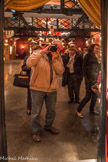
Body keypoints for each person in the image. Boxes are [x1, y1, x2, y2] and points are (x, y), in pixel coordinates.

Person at [26, 40, 64, 142]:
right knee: (36, 112)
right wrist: (43, 51)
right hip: (37, 88)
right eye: (57, 47)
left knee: (51, 111)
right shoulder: (37, 53)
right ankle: (36, 131)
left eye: (60, 48)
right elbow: (29, 63)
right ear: (51, 45)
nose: (58, 49)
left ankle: (48, 126)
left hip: (52, 89)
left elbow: (60, 71)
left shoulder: (58, 56)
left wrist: (55, 60)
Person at [76, 44, 101, 118]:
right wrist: (89, 80)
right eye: (96, 48)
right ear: (92, 48)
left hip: (95, 78)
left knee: (94, 96)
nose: (98, 50)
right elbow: (84, 68)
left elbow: (96, 67)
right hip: (90, 79)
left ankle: (92, 109)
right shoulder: (88, 56)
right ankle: (78, 110)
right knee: (88, 96)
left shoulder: (95, 56)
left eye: (98, 49)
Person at [22, 45, 42, 115]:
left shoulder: (43, 58)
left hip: (40, 79)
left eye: (40, 51)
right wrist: (31, 66)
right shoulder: (28, 57)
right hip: (31, 79)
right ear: (33, 51)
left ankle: (37, 109)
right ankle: (29, 108)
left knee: (39, 96)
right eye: (37, 51)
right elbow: (23, 68)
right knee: (30, 95)